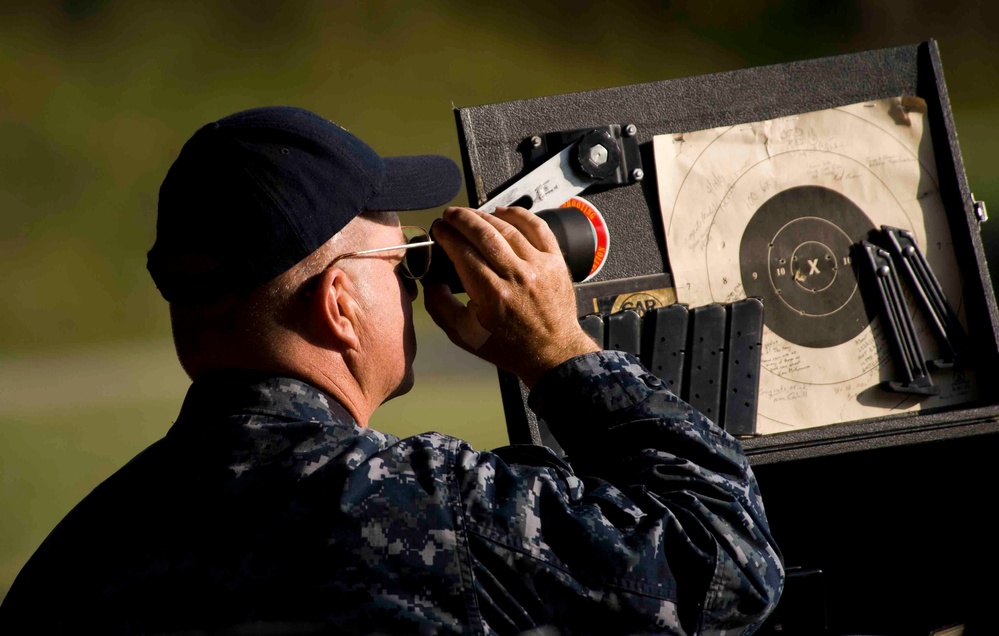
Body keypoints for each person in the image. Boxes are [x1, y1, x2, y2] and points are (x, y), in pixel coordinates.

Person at [0, 106, 783, 635]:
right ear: (339, 303)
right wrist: (557, 352)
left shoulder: (75, 557)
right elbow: (722, 566)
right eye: (401, 263)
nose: (415, 286)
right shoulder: (413, 507)